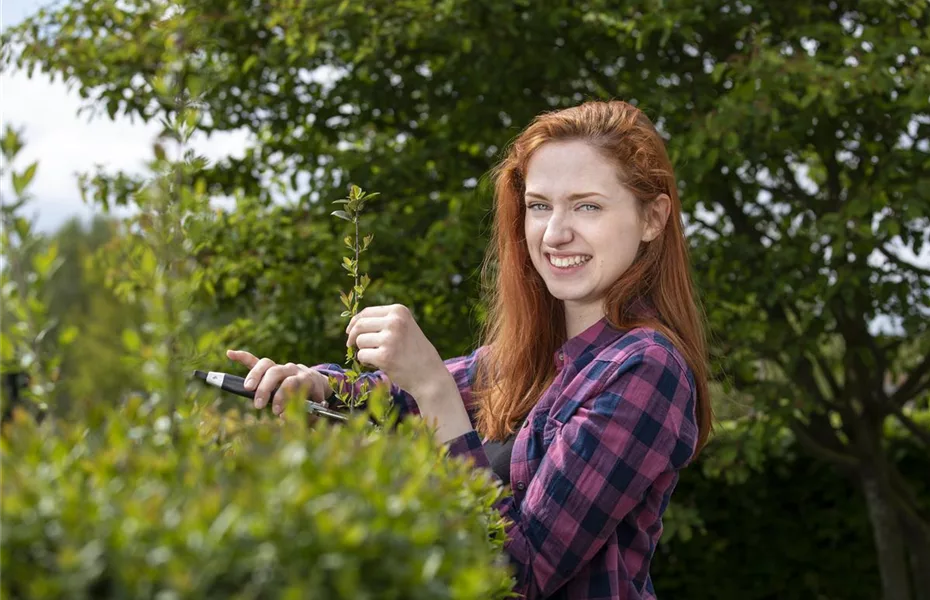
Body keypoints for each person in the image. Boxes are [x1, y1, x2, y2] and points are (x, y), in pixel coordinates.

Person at [226, 99, 712, 600]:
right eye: (540, 206)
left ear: (653, 217)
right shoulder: (531, 358)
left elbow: (516, 575)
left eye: (587, 205)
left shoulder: (645, 367)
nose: (555, 233)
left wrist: (434, 388)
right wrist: (316, 385)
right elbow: (392, 401)